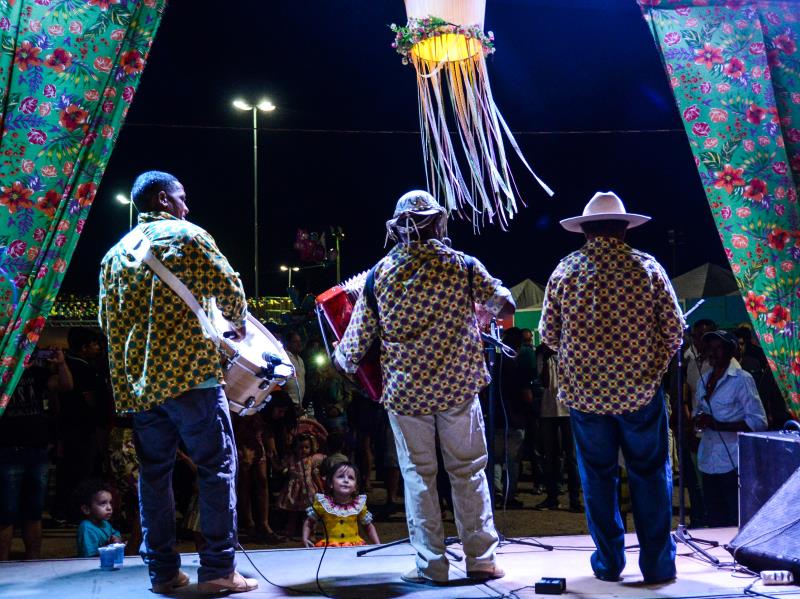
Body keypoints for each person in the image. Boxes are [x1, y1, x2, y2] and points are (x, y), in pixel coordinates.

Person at [334, 190, 514, 584]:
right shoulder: (464, 265)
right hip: (459, 389)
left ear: (398, 228)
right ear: (437, 222)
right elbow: (505, 304)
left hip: (406, 394)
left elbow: (354, 347)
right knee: (468, 473)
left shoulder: (380, 274)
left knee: (418, 477)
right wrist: (483, 315)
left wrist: (340, 357)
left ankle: (432, 566)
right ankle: (481, 560)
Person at [98, 171, 257, 594]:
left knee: (153, 475)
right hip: (193, 377)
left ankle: (163, 573)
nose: (187, 207)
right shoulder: (187, 236)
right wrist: (239, 325)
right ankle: (219, 570)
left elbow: (105, 322)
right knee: (216, 468)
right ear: (164, 199)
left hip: (144, 387)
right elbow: (229, 288)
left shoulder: (115, 255)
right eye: (181, 198)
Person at [539, 191, 684, 584]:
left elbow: (549, 336)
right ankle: (657, 566)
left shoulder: (565, 271)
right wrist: (652, 369)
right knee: (651, 475)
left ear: (585, 231)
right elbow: (675, 332)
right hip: (640, 393)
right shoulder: (647, 267)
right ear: (623, 229)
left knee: (597, 479)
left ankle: (608, 564)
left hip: (586, 398)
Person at [0, 348, 71, 560]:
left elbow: (66, 386)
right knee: (6, 514)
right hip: (7, 448)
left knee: (34, 511)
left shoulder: (35, 373)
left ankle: (34, 563)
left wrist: (60, 363)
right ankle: (3, 567)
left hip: (37, 449)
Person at [693, 330, 767, 527]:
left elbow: (758, 422)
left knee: (735, 520)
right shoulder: (703, 380)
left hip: (733, 462)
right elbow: (697, 413)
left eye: (718, 349)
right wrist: (698, 421)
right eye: (710, 348)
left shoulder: (742, 379)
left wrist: (718, 425)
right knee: (714, 519)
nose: (712, 353)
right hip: (707, 460)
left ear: (730, 351)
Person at [535, 344, 581, 512]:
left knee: (572, 457)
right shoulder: (542, 355)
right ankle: (552, 497)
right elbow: (545, 382)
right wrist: (546, 360)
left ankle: (574, 499)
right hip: (549, 410)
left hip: (568, 411)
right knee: (551, 456)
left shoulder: (570, 350)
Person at [302, 462, 380, 547]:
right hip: (331, 547)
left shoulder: (358, 506)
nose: (346, 480)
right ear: (331, 483)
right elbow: (309, 522)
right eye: (340, 476)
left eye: (351, 478)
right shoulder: (323, 504)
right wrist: (305, 538)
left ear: (355, 487)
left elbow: (368, 527)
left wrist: (378, 544)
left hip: (353, 546)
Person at [276, 433, 325, 537]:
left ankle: (310, 532)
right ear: (295, 448)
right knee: (292, 513)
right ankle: (290, 530)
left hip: (308, 489)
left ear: (311, 448)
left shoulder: (311, 460)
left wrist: (321, 489)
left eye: (306, 447)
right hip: (294, 489)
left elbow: (315, 475)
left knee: (309, 512)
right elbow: (279, 468)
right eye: (300, 447)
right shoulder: (291, 459)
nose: (303, 450)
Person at [74, 479, 122, 557]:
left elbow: (115, 533)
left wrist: (116, 539)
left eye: (110, 503)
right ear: (87, 509)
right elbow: (90, 556)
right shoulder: (86, 528)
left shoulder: (105, 523)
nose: (109, 508)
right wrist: (110, 547)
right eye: (103, 503)